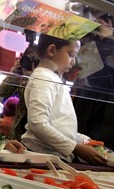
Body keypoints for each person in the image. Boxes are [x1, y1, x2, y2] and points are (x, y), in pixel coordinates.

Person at [21, 34, 107, 165]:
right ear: (52, 50)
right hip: (42, 156)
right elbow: (37, 124)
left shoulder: (53, 77)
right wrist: (74, 147)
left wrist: (84, 141)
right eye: (71, 54)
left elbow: (59, 124)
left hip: (53, 156)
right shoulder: (43, 78)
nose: (73, 62)